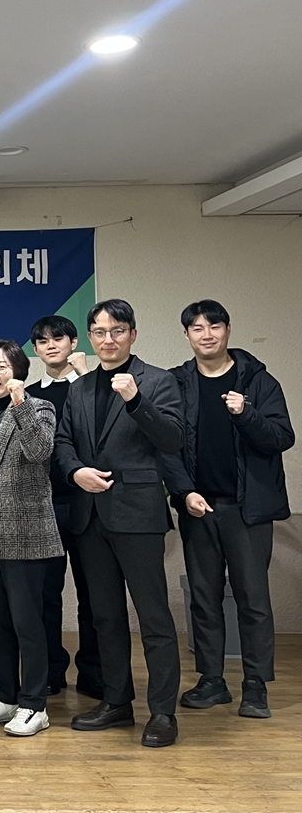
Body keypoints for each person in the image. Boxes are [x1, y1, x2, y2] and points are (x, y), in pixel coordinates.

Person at [53, 299, 184, 748]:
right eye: (99, 332)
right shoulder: (80, 387)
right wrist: (75, 472)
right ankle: (116, 701)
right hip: (89, 515)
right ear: (90, 337)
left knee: (154, 616)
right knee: (105, 617)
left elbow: (172, 439)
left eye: (117, 331)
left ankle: (163, 712)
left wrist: (136, 401)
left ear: (132, 334)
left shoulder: (157, 380)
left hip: (138, 514)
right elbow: (63, 441)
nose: (107, 340)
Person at [163, 300, 293, 719]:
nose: (207, 334)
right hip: (198, 507)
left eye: (214, 326)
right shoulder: (177, 382)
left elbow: (281, 437)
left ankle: (255, 685)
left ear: (228, 330)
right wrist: (183, 492)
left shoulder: (258, 380)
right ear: (187, 336)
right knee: (204, 599)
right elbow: (166, 445)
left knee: (253, 599)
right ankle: (212, 680)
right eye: (197, 328)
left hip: (246, 509)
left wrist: (246, 414)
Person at [0, 340, 62, 737]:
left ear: (18, 370)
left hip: (26, 533)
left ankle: (35, 704)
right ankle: (5, 696)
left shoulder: (39, 407)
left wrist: (20, 402)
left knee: (27, 622)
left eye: (1, 366)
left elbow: (40, 451)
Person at [27, 315, 103, 699]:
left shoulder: (92, 386)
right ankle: (51, 669)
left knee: (93, 592)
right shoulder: (28, 395)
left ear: (75, 343)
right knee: (45, 595)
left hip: (88, 505)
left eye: (58, 338)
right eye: (43, 341)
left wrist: (85, 377)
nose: (51, 345)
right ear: (36, 349)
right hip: (44, 507)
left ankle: (93, 671)